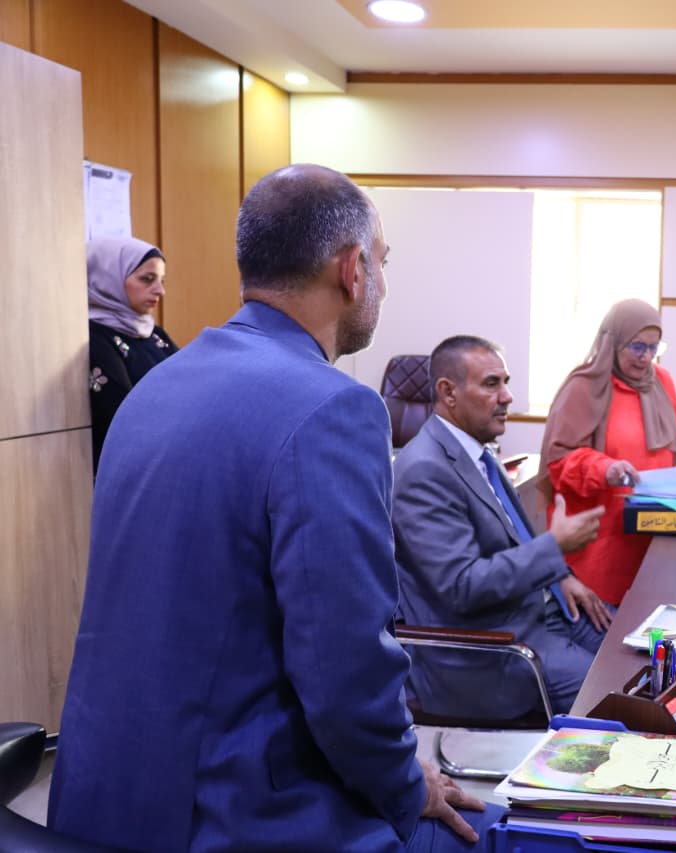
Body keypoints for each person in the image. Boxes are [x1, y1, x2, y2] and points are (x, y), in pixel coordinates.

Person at [49, 165, 502, 853]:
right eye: (383, 263)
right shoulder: (336, 409)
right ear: (352, 269)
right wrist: (409, 784)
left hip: (103, 797)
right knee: (493, 831)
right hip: (234, 813)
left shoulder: (155, 385)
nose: (383, 282)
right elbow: (347, 674)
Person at [393, 335, 610, 717]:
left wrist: (558, 574)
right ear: (448, 392)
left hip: (537, 611)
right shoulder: (424, 470)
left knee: (635, 649)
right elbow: (463, 586)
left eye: (505, 382)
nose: (507, 396)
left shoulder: (476, 451)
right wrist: (554, 546)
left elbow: (510, 539)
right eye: (492, 384)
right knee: (616, 689)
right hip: (493, 649)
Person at [537, 298, 676, 606]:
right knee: (606, 626)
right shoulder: (585, 386)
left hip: (658, 528)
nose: (646, 357)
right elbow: (560, 460)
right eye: (637, 347)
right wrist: (605, 468)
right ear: (613, 342)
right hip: (604, 538)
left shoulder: (660, 381)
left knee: (648, 615)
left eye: (654, 348)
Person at [87, 236, 178, 471]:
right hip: (131, 468)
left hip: (166, 458)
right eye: (147, 279)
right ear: (108, 277)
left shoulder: (154, 334)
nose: (160, 290)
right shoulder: (95, 337)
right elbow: (123, 414)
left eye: (161, 280)